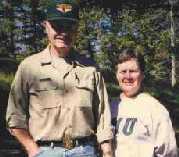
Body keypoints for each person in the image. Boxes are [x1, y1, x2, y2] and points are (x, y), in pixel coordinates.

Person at [6, 0, 113, 157]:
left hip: (85, 151)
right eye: (57, 26)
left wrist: (107, 150)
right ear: (46, 26)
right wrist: (32, 149)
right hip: (45, 151)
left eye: (69, 26)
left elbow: (102, 114)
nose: (63, 32)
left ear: (76, 29)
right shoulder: (29, 67)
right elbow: (15, 115)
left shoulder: (91, 69)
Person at [111, 48, 178, 157]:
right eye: (123, 71)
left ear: (142, 75)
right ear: (117, 75)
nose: (128, 76)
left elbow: (168, 153)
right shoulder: (109, 106)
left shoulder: (155, 109)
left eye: (133, 71)